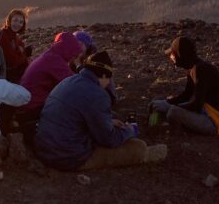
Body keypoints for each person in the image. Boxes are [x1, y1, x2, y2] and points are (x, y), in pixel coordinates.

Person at [35, 51, 167, 170]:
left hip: (44, 148)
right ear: (103, 75)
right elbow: (108, 139)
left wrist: (108, 121)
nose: (108, 83)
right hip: (67, 157)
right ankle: (149, 154)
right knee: (138, 147)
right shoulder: (98, 94)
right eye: (109, 79)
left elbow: (78, 115)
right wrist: (129, 130)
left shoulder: (68, 81)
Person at [149, 36, 219, 135]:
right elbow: (186, 95)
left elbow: (196, 105)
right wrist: (167, 102)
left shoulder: (202, 70)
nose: (172, 58)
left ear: (180, 55)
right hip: (206, 112)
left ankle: (179, 132)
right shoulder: (193, 68)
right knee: (157, 101)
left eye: (173, 55)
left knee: (173, 112)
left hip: (215, 121)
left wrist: (171, 106)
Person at [16, 31, 84, 143]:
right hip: (33, 107)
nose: (73, 57)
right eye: (74, 54)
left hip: (26, 103)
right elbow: (75, 84)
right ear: (68, 49)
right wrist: (80, 67)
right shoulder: (55, 61)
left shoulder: (50, 55)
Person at [0, 9, 33, 84]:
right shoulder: (4, 35)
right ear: (9, 20)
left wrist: (23, 53)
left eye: (21, 22)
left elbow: (21, 50)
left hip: (16, 73)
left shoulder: (14, 37)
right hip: (10, 76)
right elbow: (12, 61)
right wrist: (24, 54)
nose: (18, 24)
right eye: (15, 20)